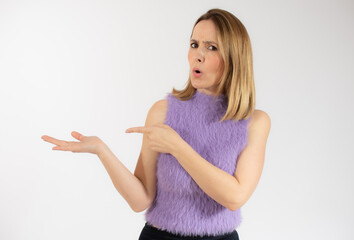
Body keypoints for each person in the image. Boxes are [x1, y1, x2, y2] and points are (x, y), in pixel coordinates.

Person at [41, 8, 270, 240]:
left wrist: (178, 148)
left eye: (211, 47)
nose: (197, 55)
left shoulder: (254, 122)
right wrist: (102, 150)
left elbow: (235, 197)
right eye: (194, 44)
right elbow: (141, 200)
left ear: (235, 57)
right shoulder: (162, 112)